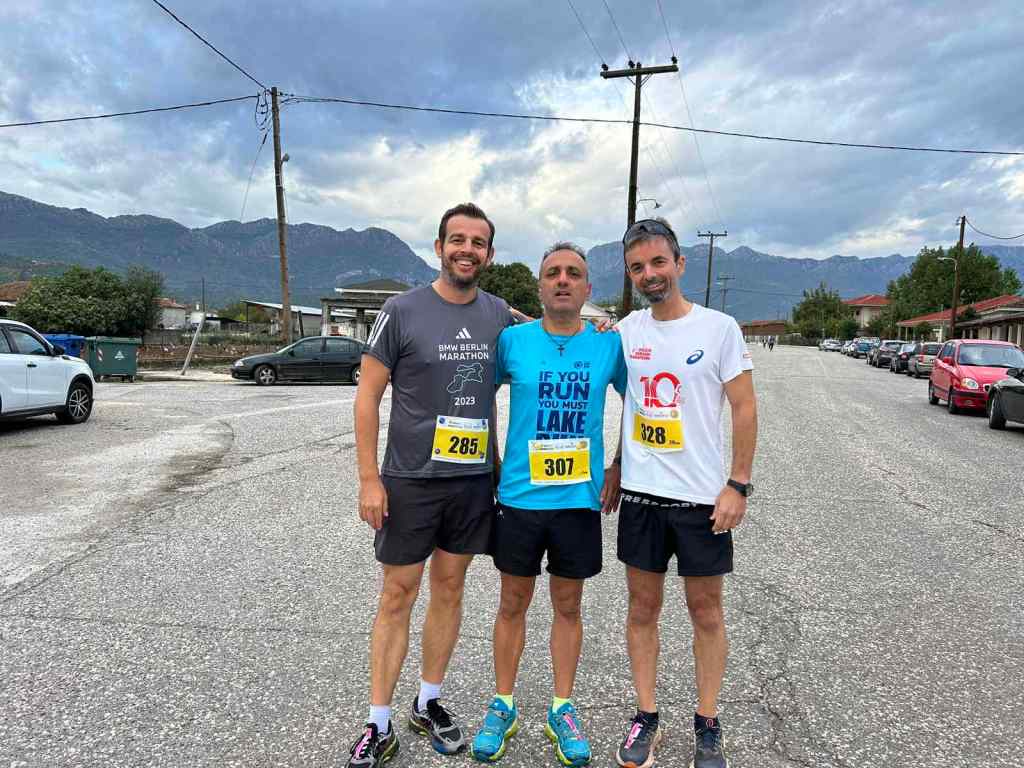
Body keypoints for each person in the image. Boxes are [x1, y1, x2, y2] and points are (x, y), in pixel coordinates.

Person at [347, 203, 517, 768]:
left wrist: (602, 332)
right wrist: (369, 478)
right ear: (439, 247)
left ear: (489, 254)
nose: (467, 250)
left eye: (478, 242)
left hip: (472, 482)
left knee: (449, 589)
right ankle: (378, 723)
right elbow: (368, 397)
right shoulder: (400, 311)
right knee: (398, 593)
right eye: (457, 240)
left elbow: (551, 334)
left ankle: (428, 701)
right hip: (409, 480)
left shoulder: (498, 314)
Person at [470, 242, 627, 767]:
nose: (563, 280)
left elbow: (641, 400)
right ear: (539, 287)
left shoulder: (608, 345)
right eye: (553, 273)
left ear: (587, 288)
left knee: (568, 606)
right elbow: (477, 397)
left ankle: (562, 708)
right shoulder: (512, 341)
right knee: (512, 604)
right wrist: (489, 458)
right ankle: (503, 704)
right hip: (519, 497)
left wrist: (619, 463)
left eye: (573, 273)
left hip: (578, 501)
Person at [612, 218, 757, 768]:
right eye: (637, 267)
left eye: (657, 262)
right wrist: (618, 463)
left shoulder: (719, 329)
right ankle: (646, 716)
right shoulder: (627, 331)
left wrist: (737, 484)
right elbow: (632, 403)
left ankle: (708, 722)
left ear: (679, 263)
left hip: (701, 499)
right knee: (642, 608)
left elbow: (744, 408)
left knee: (706, 612)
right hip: (642, 496)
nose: (649, 274)